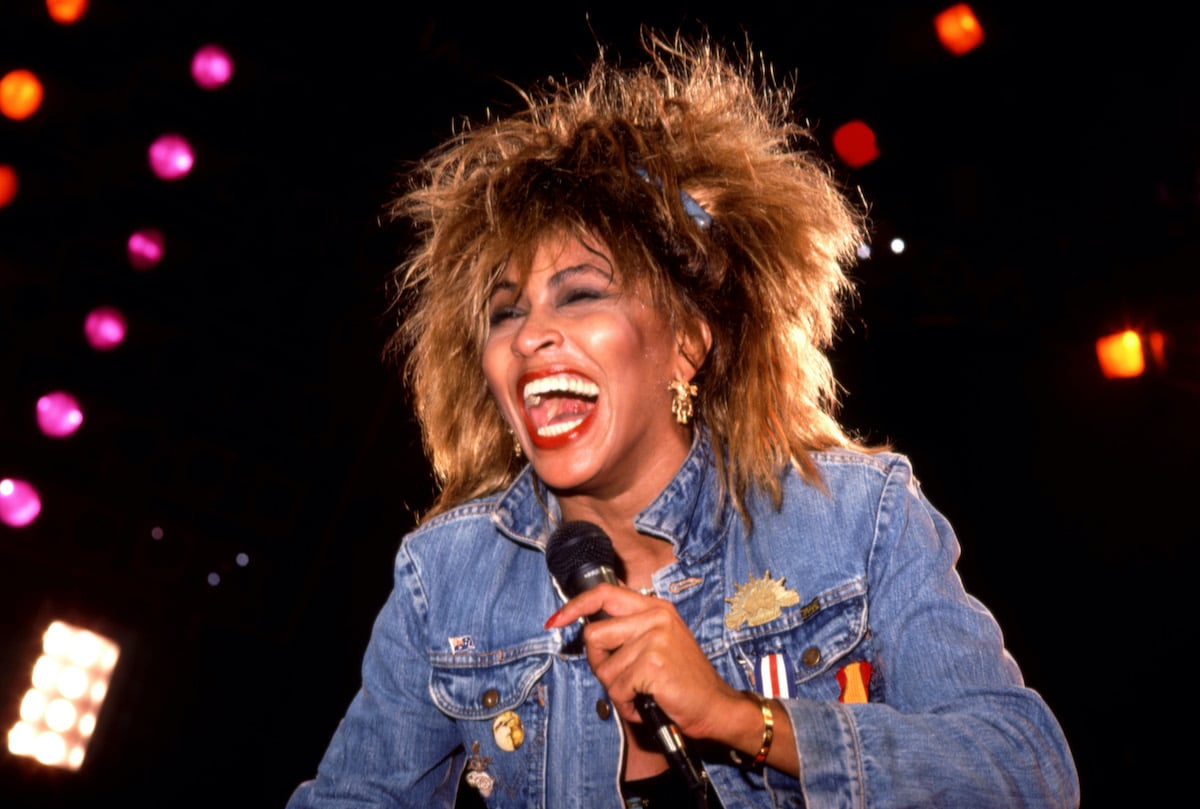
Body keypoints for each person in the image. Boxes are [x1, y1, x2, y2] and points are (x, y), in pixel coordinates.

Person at [285, 28, 1080, 809]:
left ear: (687, 344)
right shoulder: (447, 579)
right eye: (504, 313)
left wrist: (739, 719)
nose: (530, 335)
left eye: (582, 292)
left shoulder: (854, 520)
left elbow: (1025, 773)